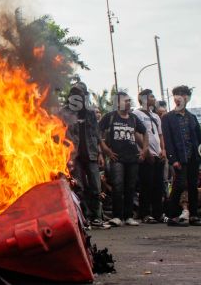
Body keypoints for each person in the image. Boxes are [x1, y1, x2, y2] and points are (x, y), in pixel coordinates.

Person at [58, 82, 108, 229]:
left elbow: (96, 134)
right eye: (74, 92)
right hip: (74, 155)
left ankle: (97, 218)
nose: (77, 95)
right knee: (78, 186)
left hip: (91, 153)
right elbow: (59, 134)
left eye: (80, 93)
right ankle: (83, 217)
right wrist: (64, 154)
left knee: (95, 186)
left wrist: (99, 153)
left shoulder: (90, 112)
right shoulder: (64, 112)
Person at [99, 91, 148, 227]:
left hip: (132, 158)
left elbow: (144, 132)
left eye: (129, 100)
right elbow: (97, 132)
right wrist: (105, 149)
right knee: (118, 186)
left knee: (130, 188)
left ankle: (128, 216)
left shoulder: (133, 118)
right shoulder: (110, 117)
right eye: (125, 100)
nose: (128, 102)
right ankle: (117, 216)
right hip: (117, 158)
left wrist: (144, 150)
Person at [161, 85, 201, 227]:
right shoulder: (168, 117)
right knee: (179, 184)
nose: (181, 97)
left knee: (193, 185)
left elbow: (200, 138)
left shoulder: (192, 117)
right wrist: (173, 159)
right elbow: (168, 140)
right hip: (179, 157)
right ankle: (172, 215)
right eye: (178, 94)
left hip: (193, 156)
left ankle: (193, 215)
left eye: (184, 94)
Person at [132, 89, 167, 223]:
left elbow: (160, 135)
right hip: (145, 155)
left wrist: (163, 149)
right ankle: (145, 213)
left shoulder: (156, 116)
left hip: (158, 154)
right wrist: (146, 151)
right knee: (146, 185)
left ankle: (158, 213)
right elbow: (137, 134)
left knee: (159, 185)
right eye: (151, 96)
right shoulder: (136, 114)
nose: (154, 99)